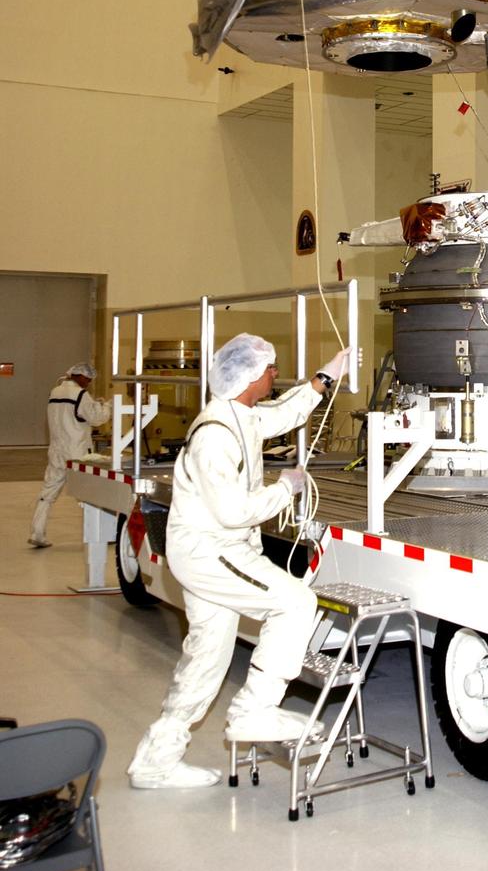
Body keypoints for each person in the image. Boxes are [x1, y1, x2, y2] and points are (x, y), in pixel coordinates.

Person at [128, 332, 352, 790]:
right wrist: (284, 489)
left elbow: (283, 413)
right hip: (211, 550)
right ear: (249, 376)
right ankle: (255, 710)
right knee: (295, 602)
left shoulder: (240, 414)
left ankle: (156, 762)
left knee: (206, 659)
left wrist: (326, 377)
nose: (275, 374)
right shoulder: (215, 436)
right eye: (270, 368)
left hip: (212, 549)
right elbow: (232, 512)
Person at [29, 362, 111, 549]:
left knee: (48, 493)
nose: (88, 383)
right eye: (87, 379)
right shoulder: (80, 395)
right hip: (77, 454)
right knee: (90, 495)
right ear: (79, 376)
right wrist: (106, 406)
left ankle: (37, 533)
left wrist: (94, 404)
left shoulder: (55, 392)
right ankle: (98, 535)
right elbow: (97, 419)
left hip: (57, 451)